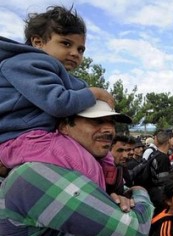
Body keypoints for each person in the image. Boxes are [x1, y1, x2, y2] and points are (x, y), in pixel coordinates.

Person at [0, 105, 154, 236]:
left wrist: (121, 198)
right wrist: (139, 192)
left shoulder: (95, 171)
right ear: (64, 126)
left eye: (111, 122)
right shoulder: (37, 173)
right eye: (97, 121)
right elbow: (135, 233)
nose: (109, 130)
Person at [0, 6, 115, 187]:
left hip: (40, 136)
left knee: (103, 155)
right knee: (82, 163)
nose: (75, 53)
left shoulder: (56, 72)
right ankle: (98, 205)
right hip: (17, 138)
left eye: (81, 49)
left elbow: (75, 89)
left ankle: (111, 182)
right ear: (38, 42)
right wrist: (94, 93)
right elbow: (58, 103)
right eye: (66, 44)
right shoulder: (28, 63)